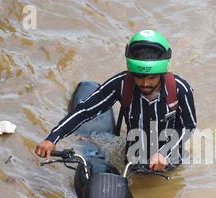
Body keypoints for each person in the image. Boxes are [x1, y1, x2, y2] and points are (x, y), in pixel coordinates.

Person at [35, 29, 196, 172]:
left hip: (169, 162)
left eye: (151, 78)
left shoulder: (180, 89)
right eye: (139, 77)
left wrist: (164, 154)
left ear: (161, 73)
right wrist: (52, 138)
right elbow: (85, 110)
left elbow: (189, 126)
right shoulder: (121, 83)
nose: (145, 84)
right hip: (132, 160)